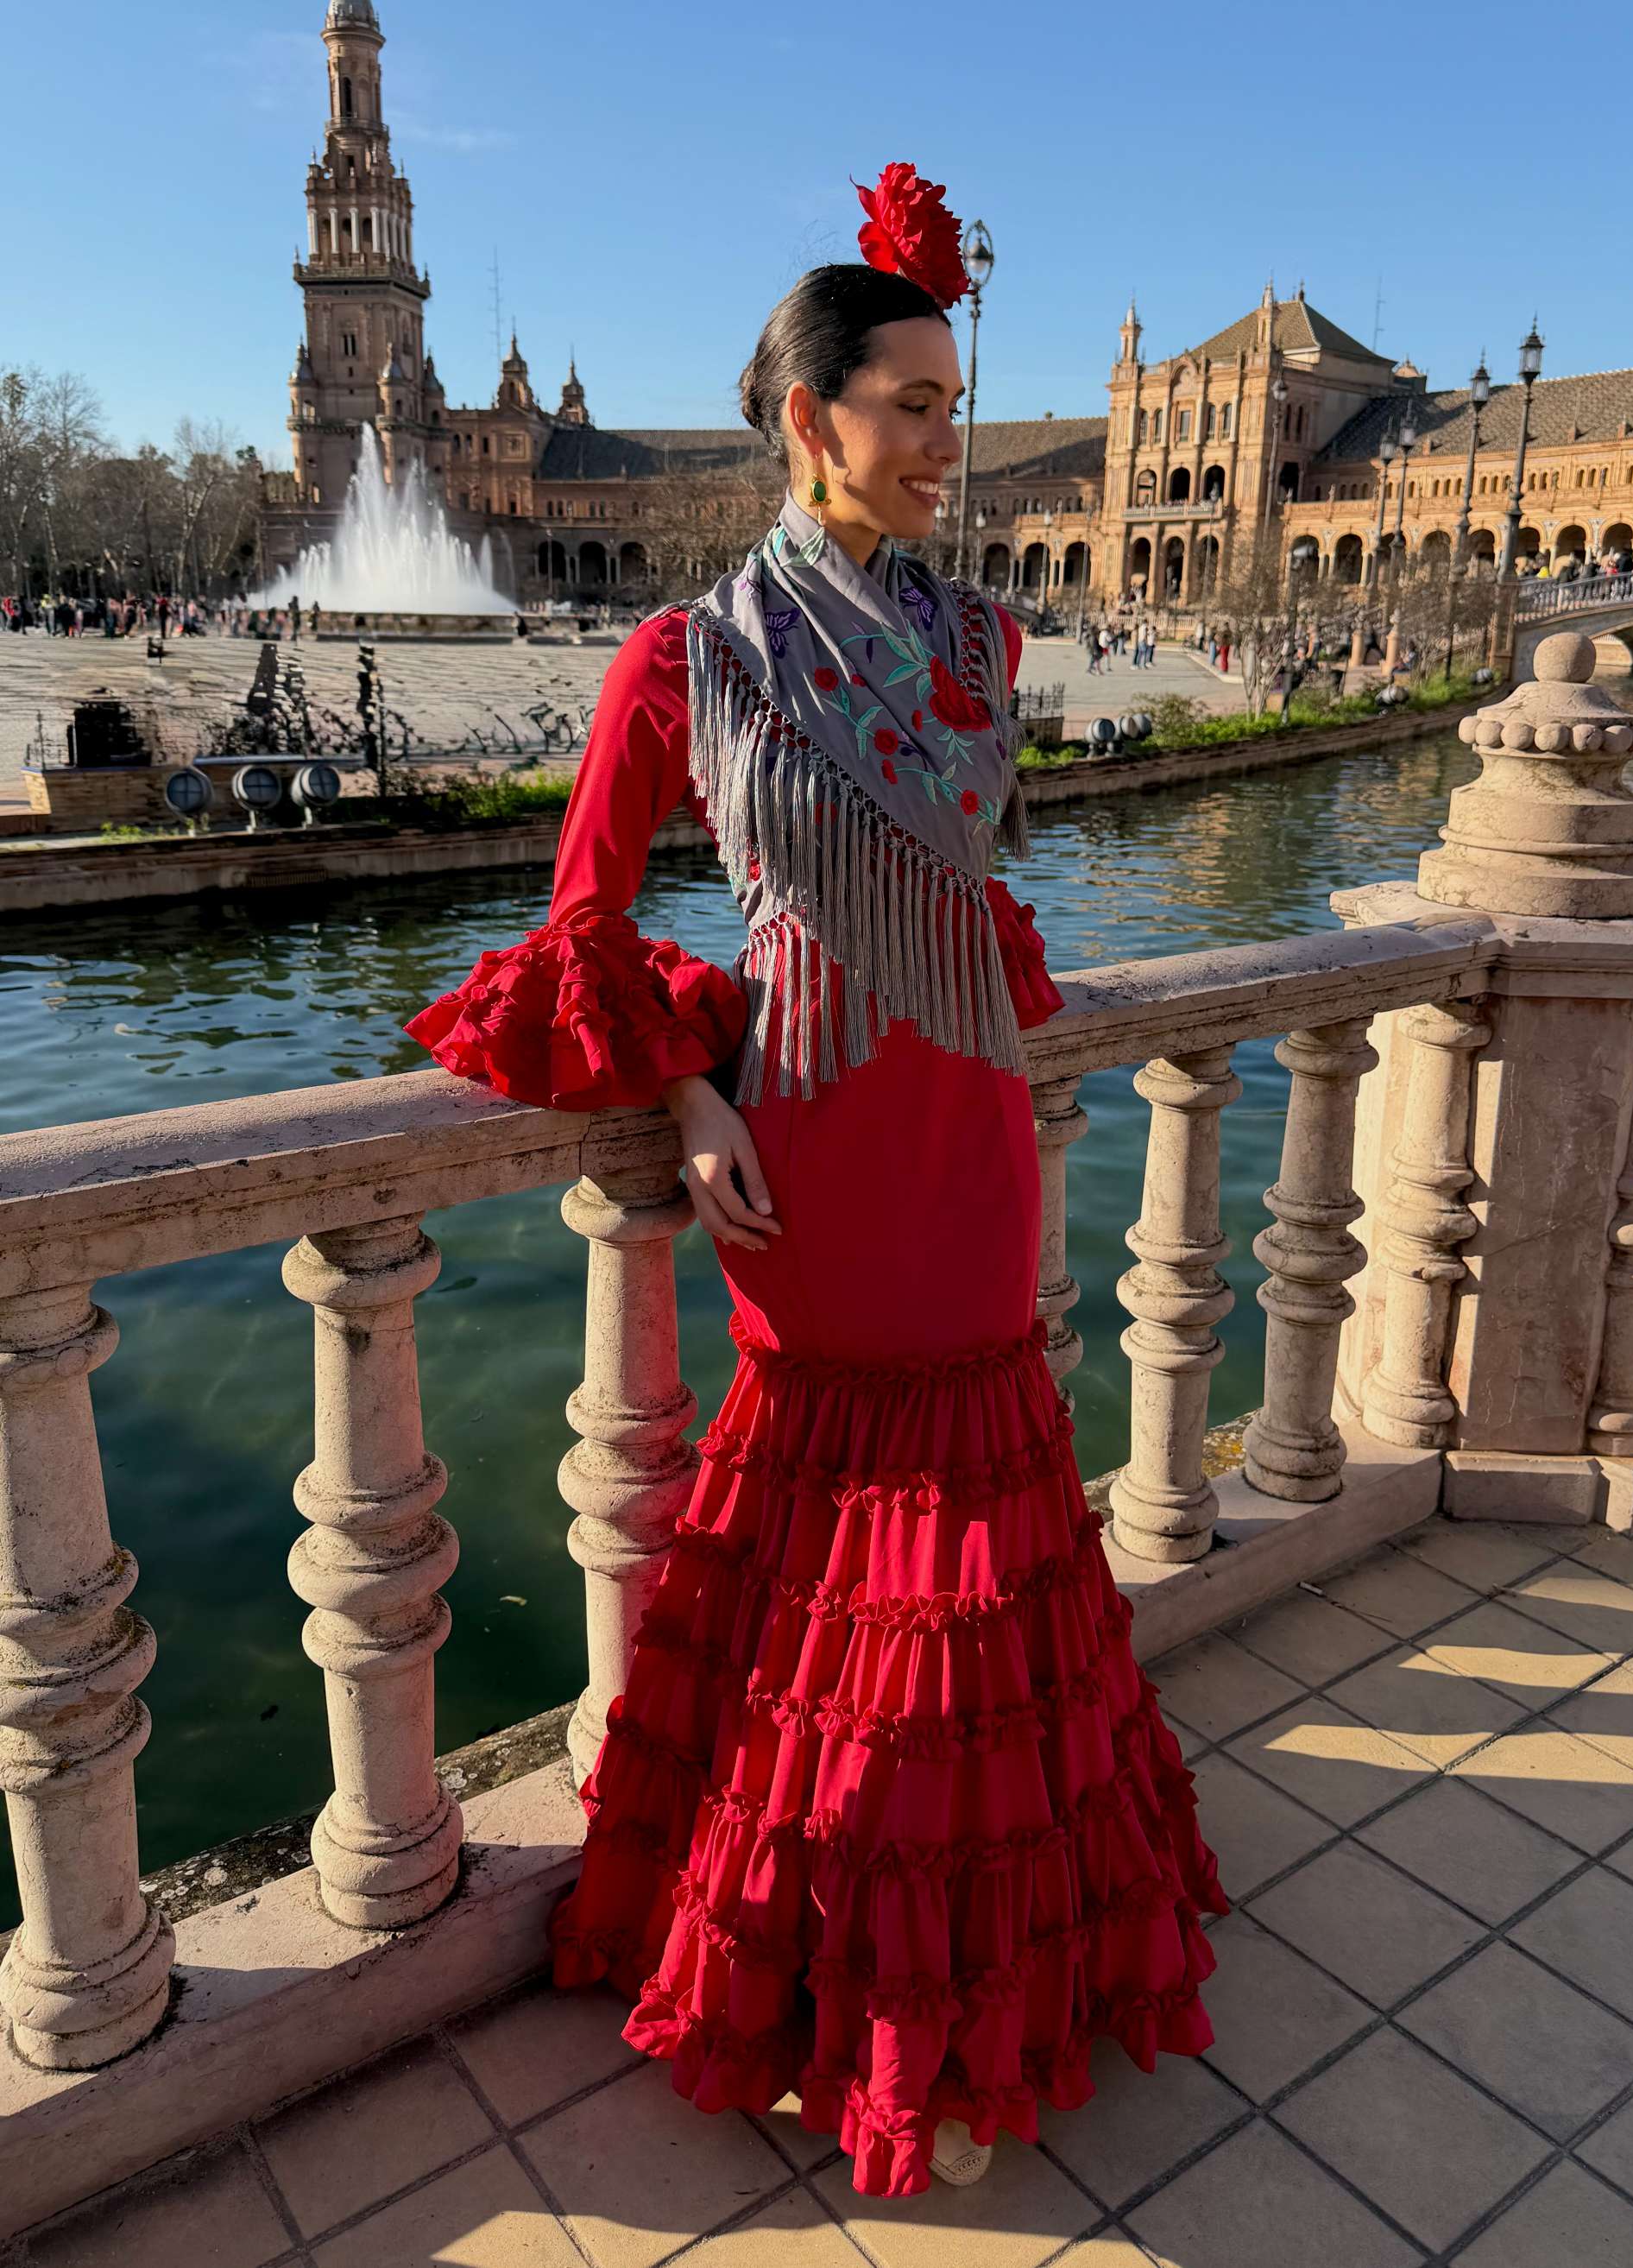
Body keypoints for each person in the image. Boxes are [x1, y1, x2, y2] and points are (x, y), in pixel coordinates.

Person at [405, 164, 1223, 2202]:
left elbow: (972, 901)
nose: (949, 443)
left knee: (983, 1562)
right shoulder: (683, 659)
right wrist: (690, 1094)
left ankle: (965, 1996)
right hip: (810, 1151)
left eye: (956, 403)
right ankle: (854, 2004)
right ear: (809, 417)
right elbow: (583, 926)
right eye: (913, 406)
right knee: (842, 1581)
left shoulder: (984, 642)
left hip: (967, 1134)